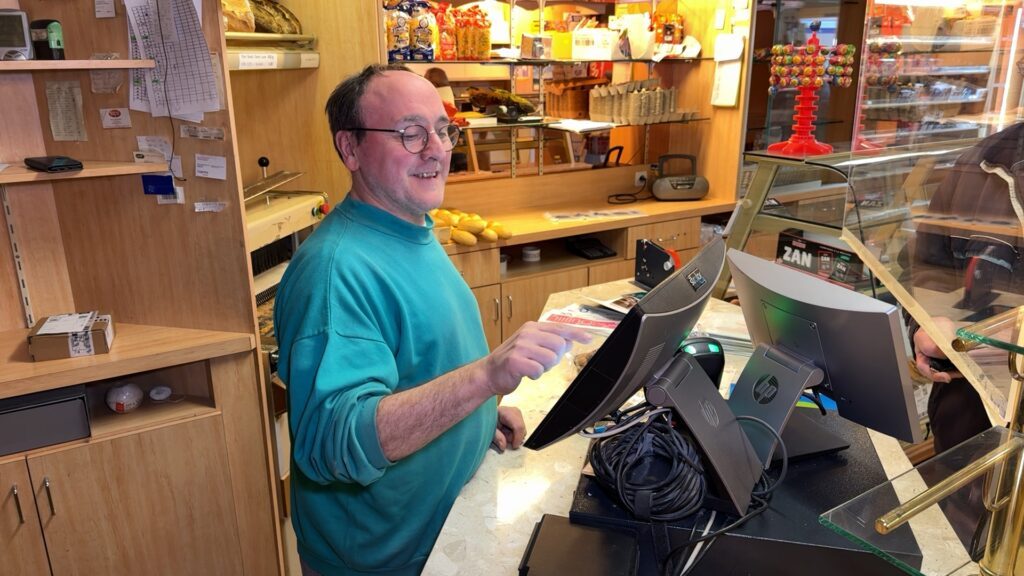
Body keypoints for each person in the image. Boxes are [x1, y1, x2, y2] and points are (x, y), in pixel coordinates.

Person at [272, 63, 591, 576]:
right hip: (386, 560)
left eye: (442, 130)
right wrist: (486, 377)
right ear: (350, 148)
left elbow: (422, 365)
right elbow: (336, 444)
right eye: (410, 133)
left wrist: (476, 413)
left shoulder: (409, 225)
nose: (437, 149)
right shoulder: (335, 274)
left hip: (444, 524)